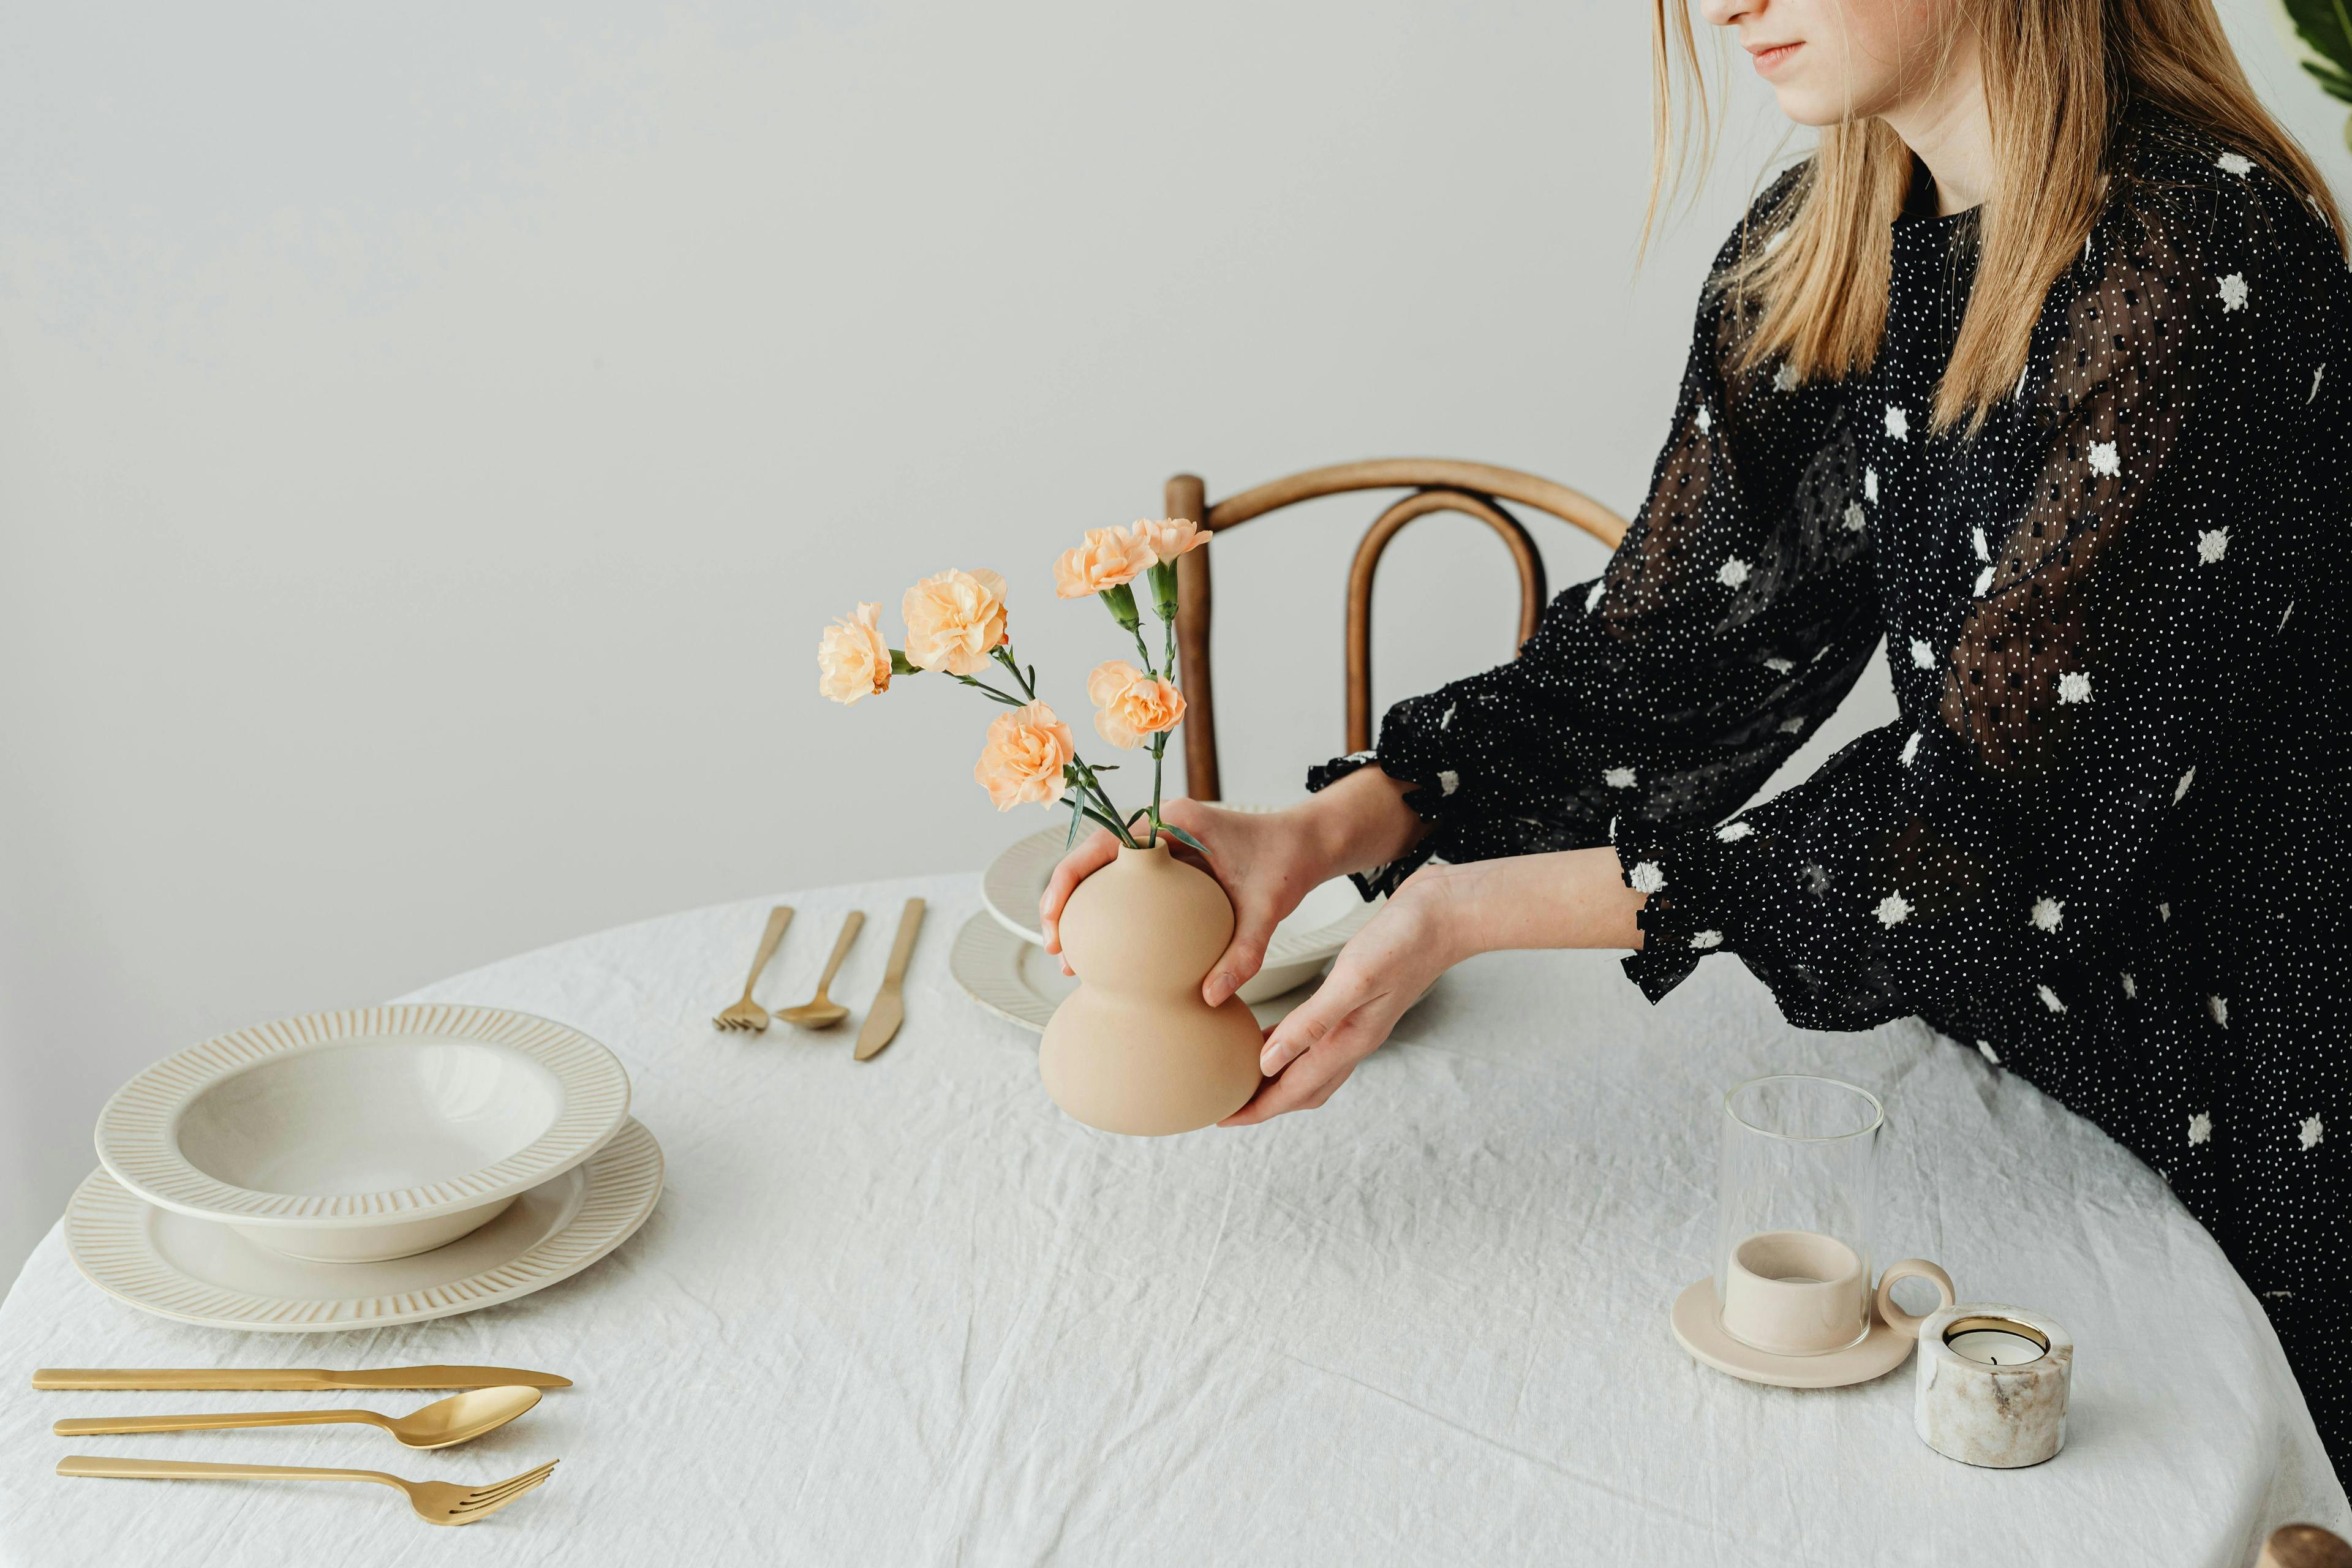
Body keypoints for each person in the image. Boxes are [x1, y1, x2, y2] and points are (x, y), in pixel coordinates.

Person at [1042, 0, 2350, 1479]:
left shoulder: (2202, 267)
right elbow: (1668, 659)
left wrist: (1464, 911)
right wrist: (1339, 824)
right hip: (2014, 1100)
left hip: (2250, 1139)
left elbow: (1981, 827)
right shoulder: (1836, 235)